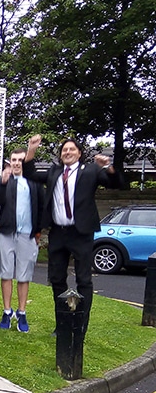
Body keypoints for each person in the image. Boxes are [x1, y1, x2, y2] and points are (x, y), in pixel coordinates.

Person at [23, 134, 121, 335]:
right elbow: (30, 174)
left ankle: (80, 327)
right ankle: (62, 325)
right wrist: (31, 149)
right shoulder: (54, 172)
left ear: (79, 153)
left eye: (71, 149)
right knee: (57, 279)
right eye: (64, 150)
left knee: (84, 280)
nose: (67, 152)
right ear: (60, 155)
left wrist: (108, 166)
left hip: (81, 233)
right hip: (59, 233)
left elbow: (115, 182)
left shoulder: (91, 171)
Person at [0, 149, 44, 333]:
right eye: (13, 160)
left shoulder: (34, 183)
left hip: (27, 235)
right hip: (7, 233)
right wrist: (3, 183)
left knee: (24, 275)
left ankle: (21, 312)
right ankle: (7, 311)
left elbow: (42, 207)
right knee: (6, 273)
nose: (16, 163)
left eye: (20, 160)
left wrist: (38, 232)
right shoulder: (5, 181)